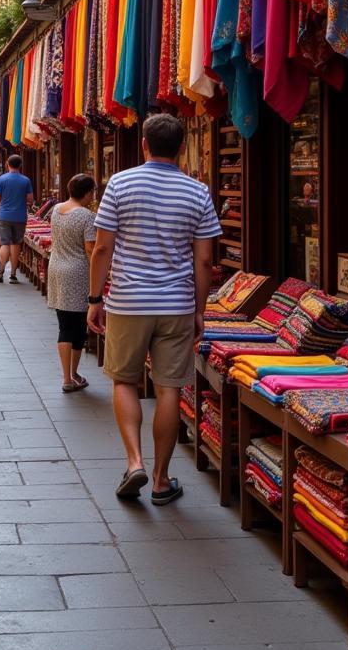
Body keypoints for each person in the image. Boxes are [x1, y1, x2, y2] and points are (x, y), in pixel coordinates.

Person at [87, 114, 221, 503]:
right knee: (169, 389)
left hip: (128, 302)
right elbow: (204, 260)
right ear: (181, 148)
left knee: (124, 380)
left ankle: (134, 463)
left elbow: (102, 247)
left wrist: (96, 299)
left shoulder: (120, 184)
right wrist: (200, 309)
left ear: (143, 144)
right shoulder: (197, 192)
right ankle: (162, 480)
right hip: (177, 303)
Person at [47, 174, 98, 393]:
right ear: (87, 193)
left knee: (64, 325)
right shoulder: (87, 216)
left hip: (57, 268)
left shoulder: (57, 209)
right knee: (77, 327)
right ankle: (72, 375)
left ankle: (67, 376)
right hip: (78, 273)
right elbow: (90, 249)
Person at [0, 153, 33, 284]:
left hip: (4, 215)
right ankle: (13, 274)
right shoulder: (25, 180)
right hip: (20, 216)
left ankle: (0, 271)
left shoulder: (1, 180)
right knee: (15, 243)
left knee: (4, 244)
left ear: (7, 164)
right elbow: (30, 200)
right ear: (20, 165)